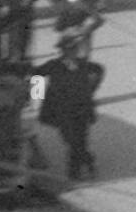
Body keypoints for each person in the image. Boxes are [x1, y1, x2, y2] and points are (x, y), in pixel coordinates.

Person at [34, 34, 105, 180]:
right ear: (62, 51)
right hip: (62, 111)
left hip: (81, 110)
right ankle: (88, 159)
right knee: (70, 140)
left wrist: (93, 88)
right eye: (67, 49)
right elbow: (36, 74)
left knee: (78, 141)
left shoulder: (84, 65)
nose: (71, 52)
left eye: (73, 48)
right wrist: (37, 95)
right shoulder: (53, 65)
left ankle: (74, 175)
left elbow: (99, 70)